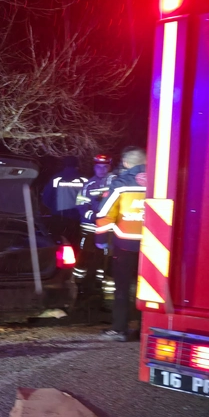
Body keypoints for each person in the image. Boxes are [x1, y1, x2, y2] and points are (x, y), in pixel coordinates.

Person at [95, 146, 146, 341]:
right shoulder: (161, 183)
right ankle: (144, 329)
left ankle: (119, 329)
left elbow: (105, 214)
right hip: (155, 247)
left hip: (125, 245)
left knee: (122, 288)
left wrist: (101, 240)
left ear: (125, 163)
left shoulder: (121, 184)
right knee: (149, 290)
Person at [73, 154, 113, 298]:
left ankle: (100, 283)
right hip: (90, 228)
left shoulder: (115, 183)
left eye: (105, 167)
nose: (101, 170)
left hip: (108, 228)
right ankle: (78, 284)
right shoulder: (88, 185)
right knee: (84, 255)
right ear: (94, 168)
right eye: (98, 167)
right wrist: (94, 217)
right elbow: (81, 205)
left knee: (105, 256)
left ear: (109, 167)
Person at [42, 156, 87, 248]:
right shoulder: (84, 179)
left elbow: (46, 198)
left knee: (59, 245)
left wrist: (54, 209)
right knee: (75, 244)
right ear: (77, 165)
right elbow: (88, 198)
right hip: (77, 218)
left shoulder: (56, 178)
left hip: (59, 218)